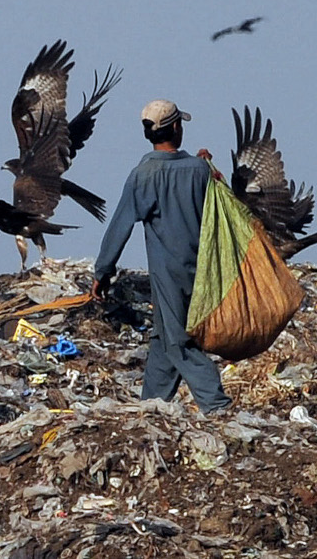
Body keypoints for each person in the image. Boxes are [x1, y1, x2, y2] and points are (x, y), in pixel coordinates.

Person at [92, 99, 232, 414]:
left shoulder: (143, 174)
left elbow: (120, 227)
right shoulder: (199, 169)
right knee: (163, 337)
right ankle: (151, 406)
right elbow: (223, 202)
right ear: (177, 128)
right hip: (203, 270)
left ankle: (216, 404)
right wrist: (207, 165)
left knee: (178, 341)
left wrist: (102, 272)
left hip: (167, 273)